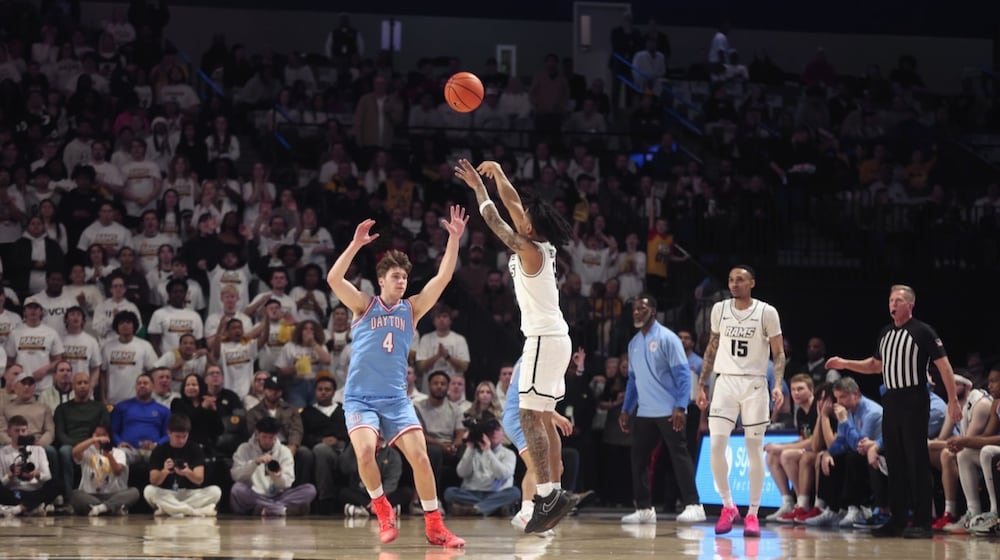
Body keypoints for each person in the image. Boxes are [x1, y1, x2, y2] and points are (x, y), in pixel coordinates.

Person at [325, 206, 468, 547]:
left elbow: (443, 277)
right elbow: (333, 279)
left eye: (404, 276)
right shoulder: (363, 304)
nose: (401, 281)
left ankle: (435, 526)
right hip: (360, 398)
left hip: (395, 399)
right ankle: (382, 509)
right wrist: (355, 245)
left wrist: (453, 239)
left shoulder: (412, 309)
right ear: (381, 280)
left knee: (420, 457)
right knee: (364, 454)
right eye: (395, 276)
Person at [454, 159, 578, 533]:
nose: (520, 218)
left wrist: (479, 188)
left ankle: (545, 494)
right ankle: (555, 490)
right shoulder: (542, 243)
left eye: (524, 219)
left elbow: (495, 221)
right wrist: (500, 176)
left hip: (542, 339)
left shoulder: (529, 249)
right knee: (542, 418)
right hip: (556, 338)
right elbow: (512, 204)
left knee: (527, 417)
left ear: (529, 228)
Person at [825, 284, 961, 538]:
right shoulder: (886, 333)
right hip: (892, 398)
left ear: (910, 305)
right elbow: (875, 366)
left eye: (898, 300)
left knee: (916, 459)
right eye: (890, 300)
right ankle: (897, 520)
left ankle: (923, 523)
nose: (893, 304)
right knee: (895, 460)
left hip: (915, 398)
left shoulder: (923, 331)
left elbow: (945, 367)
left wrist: (953, 400)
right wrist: (845, 363)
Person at [695, 265, 785, 538]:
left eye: (740, 280)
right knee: (716, 445)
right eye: (731, 279)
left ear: (752, 283)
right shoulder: (719, 309)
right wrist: (702, 384)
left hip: (755, 383)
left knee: (754, 448)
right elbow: (711, 347)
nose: (734, 284)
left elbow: (778, 353)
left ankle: (753, 514)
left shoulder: (767, 312)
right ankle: (727, 506)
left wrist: (778, 384)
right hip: (724, 382)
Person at [619, 294, 705, 524]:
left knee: (679, 456)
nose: (637, 312)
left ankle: (694, 504)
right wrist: (626, 409)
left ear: (653, 312)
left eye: (642, 308)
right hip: (645, 412)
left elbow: (683, 375)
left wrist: (680, 406)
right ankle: (644, 509)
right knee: (638, 459)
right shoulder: (634, 343)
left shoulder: (668, 338)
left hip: (669, 410)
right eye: (635, 309)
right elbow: (632, 381)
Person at [230, 416, 317, 517]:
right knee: (237, 489)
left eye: (271, 437)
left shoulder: (284, 452)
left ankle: (266, 509)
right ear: (257, 434)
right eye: (264, 437)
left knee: (310, 490)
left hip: (278, 496)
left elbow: (287, 483)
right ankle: (280, 510)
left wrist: (278, 477)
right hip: (254, 495)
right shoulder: (244, 448)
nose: (267, 441)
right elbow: (236, 476)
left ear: (276, 436)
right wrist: (255, 463)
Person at [143, 413, 222, 517]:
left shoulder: (195, 449)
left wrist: (188, 472)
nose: (181, 440)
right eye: (177, 436)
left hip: (190, 493)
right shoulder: (159, 450)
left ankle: (170, 510)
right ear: (169, 433)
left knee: (215, 491)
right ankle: (194, 512)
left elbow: (199, 480)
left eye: (184, 436)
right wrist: (165, 471)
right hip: (167, 493)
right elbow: (154, 481)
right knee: (149, 491)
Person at [443, 414, 520, 517]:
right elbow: (461, 473)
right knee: (449, 492)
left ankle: (476, 509)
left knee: (514, 492)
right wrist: (470, 448)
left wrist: (487, 451)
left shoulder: (508, 454)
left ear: (502, 433)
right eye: (490, 431)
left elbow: (502, 475)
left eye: (497, 430)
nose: (494, 434)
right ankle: (492, 508)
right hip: (472, 492)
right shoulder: (472, 451)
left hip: (497, 493)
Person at [68, 424, 139, 516]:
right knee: (75, 494)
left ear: (109, 437)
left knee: (134, 492)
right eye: (97, 435)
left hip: (113, 494)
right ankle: (111, 508)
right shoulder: (87, 451)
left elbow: (118, 471)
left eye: (104, 435)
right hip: (91, 495)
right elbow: (75, 452)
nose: (101, 438)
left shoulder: (118, 452)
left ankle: (102, 508)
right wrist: (93, 440)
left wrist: (109, 456)